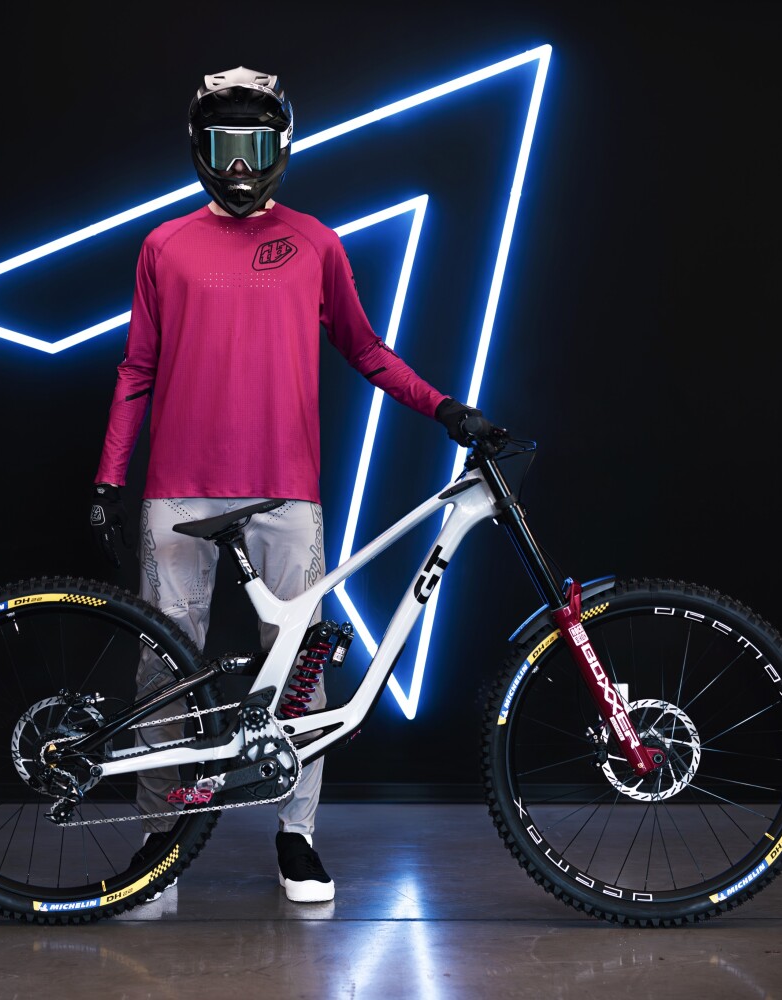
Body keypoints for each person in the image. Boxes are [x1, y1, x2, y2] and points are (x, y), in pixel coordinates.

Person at [88, 65, 500, 903]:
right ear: (200, 150)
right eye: (223, 147)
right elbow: (137, 368)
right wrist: (109, 478)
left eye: (254, 146)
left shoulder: (316, 243)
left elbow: (366, 348)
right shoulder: (163, 245)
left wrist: (444, 408)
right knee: (161, 673)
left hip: (287, 491)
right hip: (178, 488)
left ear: (280, 147)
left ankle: (297, 836)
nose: (239, 166)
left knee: (301, 672)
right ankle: (159, 845)